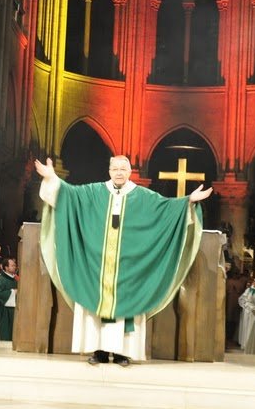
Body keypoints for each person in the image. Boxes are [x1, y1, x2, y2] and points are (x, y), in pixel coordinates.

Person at [35, 155, 211, 366]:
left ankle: (122, 353)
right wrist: (52, 177)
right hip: (96, 265)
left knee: (127, 304)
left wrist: (188, 201)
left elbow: (166, 208)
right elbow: (68, 194)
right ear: (109, 171)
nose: (119, 172)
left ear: (130, 172)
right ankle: (98, 351)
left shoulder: (144, 197)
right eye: (115, 168)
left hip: (128, 268)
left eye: (123, 169)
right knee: (95, 302)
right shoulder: (93, 192)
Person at [0, 258, 18, 340]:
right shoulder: (1, 280)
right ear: (6, 268)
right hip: (4, 310)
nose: (15, 267)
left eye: (15, 265)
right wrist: (13, 292)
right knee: (5, 332)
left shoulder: (14, 279)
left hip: (13, 308)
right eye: (12, 265)